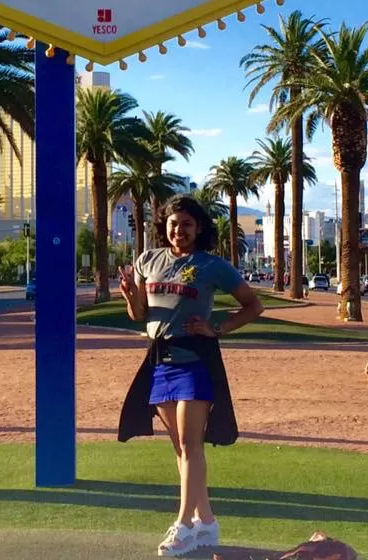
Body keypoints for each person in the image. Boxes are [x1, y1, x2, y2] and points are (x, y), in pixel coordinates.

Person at [117, 194, 265, 557]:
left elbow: (253, 305)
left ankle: (183, 526)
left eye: (186, 224)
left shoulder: (212, 265)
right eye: (173, 223)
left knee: (190, 444)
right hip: (159, 361)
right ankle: (207, 523)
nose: (178, 230)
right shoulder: (148, 260)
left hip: (195, 359)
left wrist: (218, 327)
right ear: (163, 226)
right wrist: (129, 294)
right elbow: (138, 315)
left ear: (198, 228)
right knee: (179, 447)